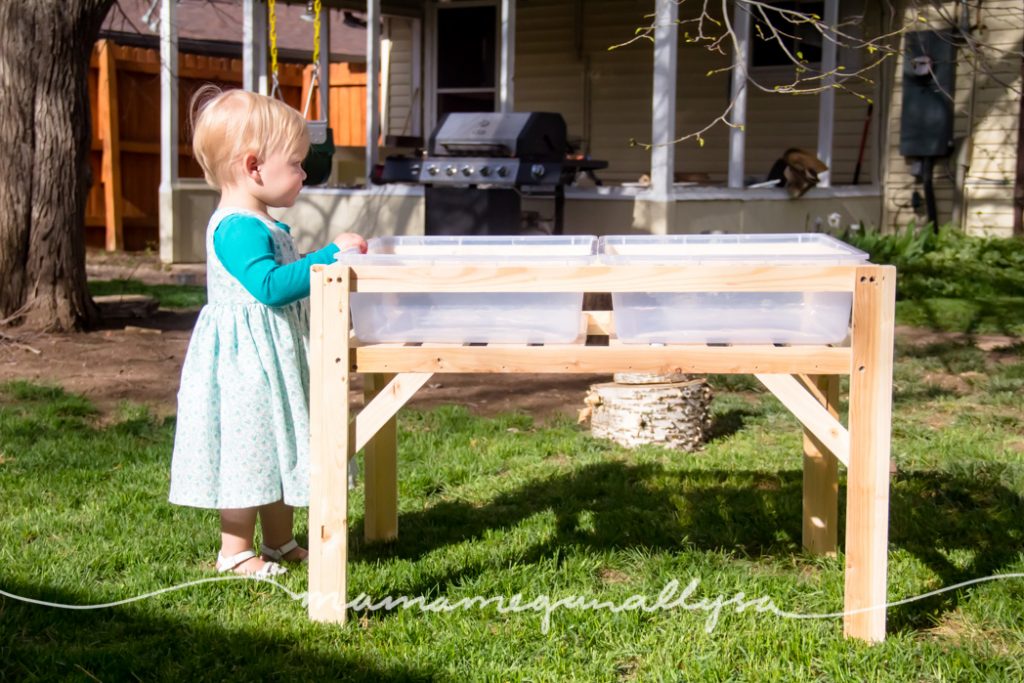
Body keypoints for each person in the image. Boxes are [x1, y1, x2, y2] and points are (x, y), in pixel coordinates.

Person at [169, 85, 366, 577]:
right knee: (249, 450)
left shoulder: (265, 223)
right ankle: (234, 549)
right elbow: (270, 287)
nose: (304, 174)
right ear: (254, 167)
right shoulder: (237, 227)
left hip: (274, 356)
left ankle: (279, 540)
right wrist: (328, 257)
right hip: (246, 367)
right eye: (296, 164)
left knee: (281, 447)